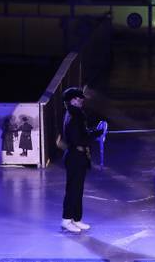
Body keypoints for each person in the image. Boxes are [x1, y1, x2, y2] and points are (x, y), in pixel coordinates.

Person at [60, 87, 104, 234]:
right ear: (72, 101)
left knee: (78, 189)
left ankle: (76, 218)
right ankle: (66, 220)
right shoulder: (73, 116)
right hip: (74, 157)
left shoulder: (76, 115)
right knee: (73, 189)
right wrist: (93, 135)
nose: (82, 101)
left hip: (78, 156)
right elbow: (78, 139)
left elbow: (81, 134)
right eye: (79, 99)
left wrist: (92, 132)